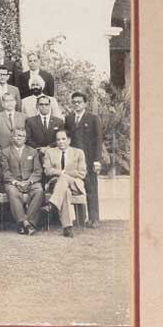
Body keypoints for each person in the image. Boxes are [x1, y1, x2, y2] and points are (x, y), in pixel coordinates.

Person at [66, 90, 103, 227]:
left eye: (79, 102)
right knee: (76, 187)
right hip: (74, 160)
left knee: (91, 188)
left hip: (89, 159)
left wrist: (97, 161)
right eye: (74, 102)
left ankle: (94, 219)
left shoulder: (93, 118)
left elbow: (98, 140)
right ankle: (80, 218)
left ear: (85, 103)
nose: (76, 104)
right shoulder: (69, 119)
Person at [41, 128, 87, 237]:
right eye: (58, 139)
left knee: (64, 178)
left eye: (63, 139)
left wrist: (63, 174)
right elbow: (47, 171)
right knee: (65, 191)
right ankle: (67, 228)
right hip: (56, 184)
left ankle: (52, 204)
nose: (60, 142)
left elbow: (81, 173)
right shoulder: (50, 152)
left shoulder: (78, 152)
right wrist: (63, 173)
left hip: (74, 184)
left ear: (69, 140)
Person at [1, 126, 43, 235]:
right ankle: (25, 223)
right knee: (12, 191)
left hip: (30, 182)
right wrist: (15, 182)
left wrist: (29, 181)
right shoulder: (5, 152)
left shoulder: (33, 151)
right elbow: (5, 171)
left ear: (25, 138)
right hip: (13, 182)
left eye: (23, 136)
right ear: (12, 137)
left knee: (39, 190)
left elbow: (38, 170)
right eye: (18, 135)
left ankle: (28, 222)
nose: (20, 138)